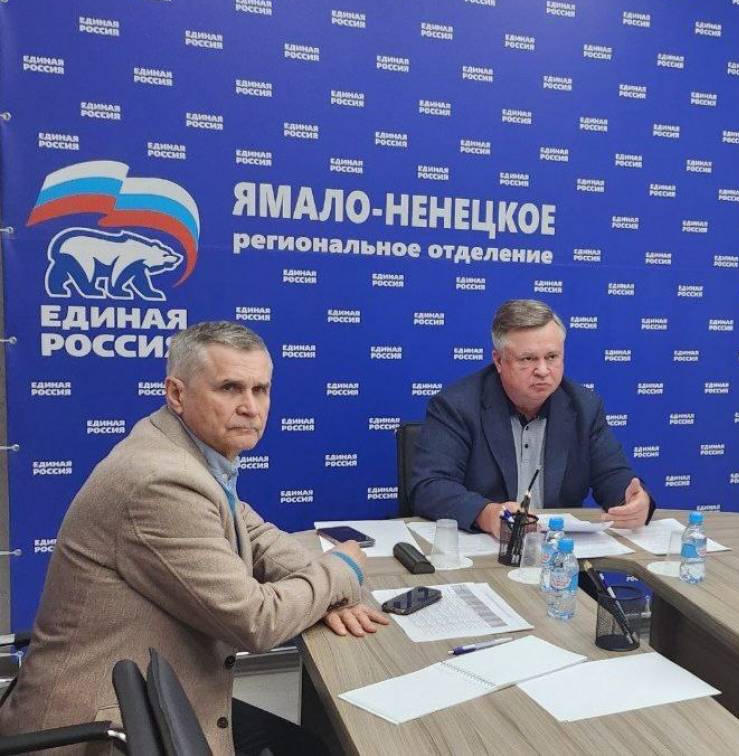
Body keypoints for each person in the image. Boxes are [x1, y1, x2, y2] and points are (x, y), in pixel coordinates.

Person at [0, 322, 388, 754]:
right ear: (177, 394)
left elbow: (254, 534)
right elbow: (256, 622)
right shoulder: (160, 480)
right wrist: (342, 570)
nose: (250, 407)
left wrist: (328, 590)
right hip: (106, 728)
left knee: (309, 745)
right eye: (230, 388)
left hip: (158, 694)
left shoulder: (185, 451)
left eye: (260, 390)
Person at [411, 299, 653, 536]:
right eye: (528, 359)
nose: (543, 371)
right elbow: (429, 486)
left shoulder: (584, 408)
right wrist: (487, 514)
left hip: (556, 549)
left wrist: (635, 501)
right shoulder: (457, 406)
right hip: (484, 546)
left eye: (552, 357)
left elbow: (612, 475)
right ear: (499, 360)